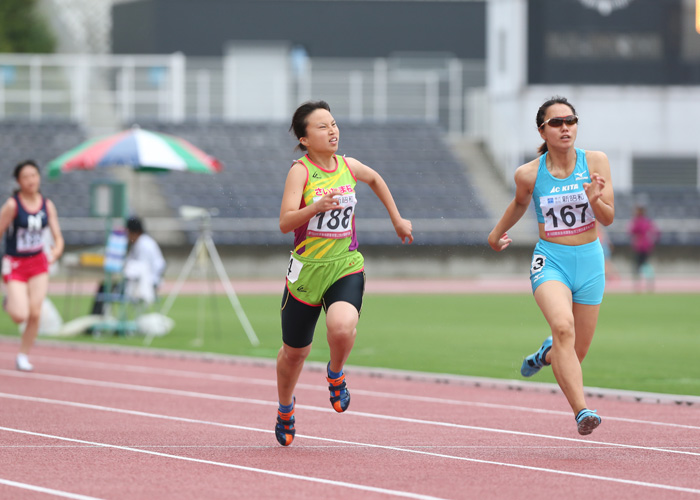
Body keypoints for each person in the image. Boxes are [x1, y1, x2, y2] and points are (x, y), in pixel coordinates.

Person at [274, 100, 413, 446]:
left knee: (341, 326)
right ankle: (285, 408)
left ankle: (335, 374)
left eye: (333, 124)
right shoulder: (301, 171)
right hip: (306, 273)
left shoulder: (348, 166)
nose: (332, 130)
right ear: (305, 139)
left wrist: (397, 219)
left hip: (345, 265)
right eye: (322, 127)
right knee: (295, 353)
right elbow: (284, 222)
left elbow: (376, 179)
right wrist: (315, 207)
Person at [487, 96, 614, 436]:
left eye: (570, 121)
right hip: (551, 261)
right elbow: (518, 203)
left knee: (574, 350)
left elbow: (609, 218)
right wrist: (496, 234)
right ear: (542, 130)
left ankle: (545, 355)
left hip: (590, 260)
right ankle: (582, 411)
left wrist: (594, 199)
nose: (565, 128)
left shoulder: (596, 161)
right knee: (562, 328)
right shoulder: (529, 173)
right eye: (556, 123)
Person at [0, 160, 64, 371]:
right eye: (26, 177)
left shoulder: (47, 205)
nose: (31, 180)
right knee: (21, 315)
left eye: (34, 175)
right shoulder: (12, 205)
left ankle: (23, 355)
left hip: (38, 263)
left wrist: (56, 251)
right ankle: (10, 301)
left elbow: (58, 238)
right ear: (18, 181)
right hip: (15, 264)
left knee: (36, 313)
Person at [628, 205, 659, 292]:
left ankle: (638, 285)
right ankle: (649, 282)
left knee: (638, 265)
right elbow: (655, 232)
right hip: (647, 246)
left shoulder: (637, 221)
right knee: (645, 264)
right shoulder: (648, 221)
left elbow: (632, 231)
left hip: (639, 246)